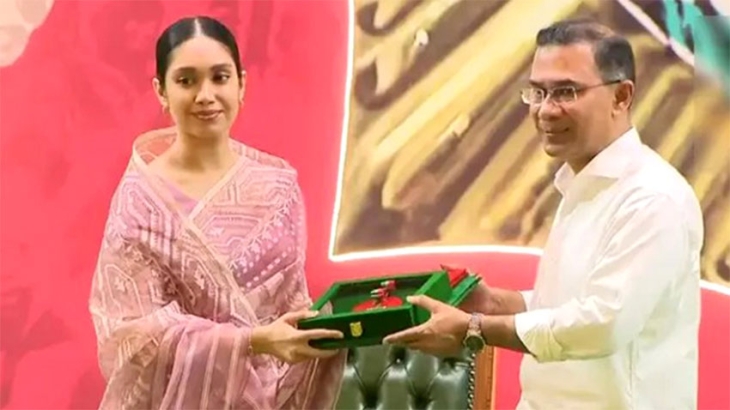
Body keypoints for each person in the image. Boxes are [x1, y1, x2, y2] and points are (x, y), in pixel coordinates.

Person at [384, 18, 704, 410]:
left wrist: (474, 328)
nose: (546, 110)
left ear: (621, 97)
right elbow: (573, 303)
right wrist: (496, 303)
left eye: (566, 92)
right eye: (538, 92)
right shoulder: (581, 184)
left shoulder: (653, 198)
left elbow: (602, 323)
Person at [88, 16, 346, 409]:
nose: (205, 95)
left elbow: (292, 305)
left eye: (220, 77)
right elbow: (132, 336)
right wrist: (252, 341)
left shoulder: (278, 188)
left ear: (241, 84)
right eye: (186, 81)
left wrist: (325, 327)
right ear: (161, 91)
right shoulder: (140, 201)